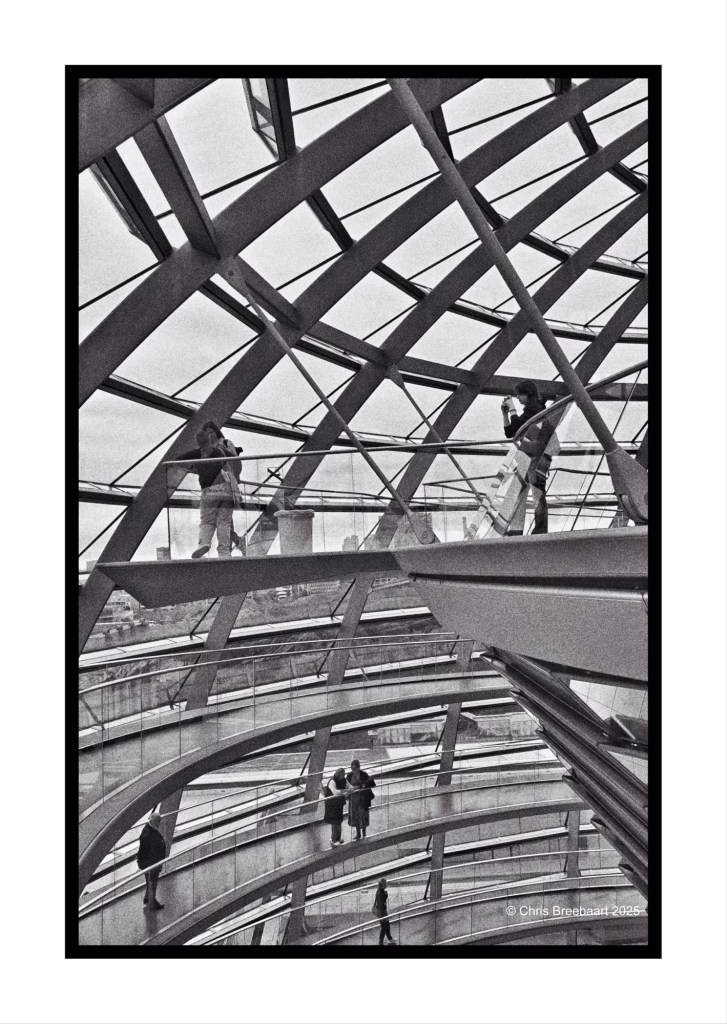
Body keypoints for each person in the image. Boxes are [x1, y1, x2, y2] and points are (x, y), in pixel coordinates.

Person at [500, 379, 555, 535]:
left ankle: (539, 530)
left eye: (520, 394)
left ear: (527, 394)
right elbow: (511, 433)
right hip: (533, 457)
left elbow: (519, 426)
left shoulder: (536, 410)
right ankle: (525, 528)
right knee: (530, 491)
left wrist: (512, 410)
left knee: (536, 493)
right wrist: (506, 413)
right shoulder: (532, 410)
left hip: (535, 457)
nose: (517, 397)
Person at [175, 430, 233, 558]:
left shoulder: (196, 453)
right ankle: (224, 552)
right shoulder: (220, 452)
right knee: (224, 522)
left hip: (209, 491)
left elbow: (177, 461)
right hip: (226, 490)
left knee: (207, 521)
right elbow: (233, 459)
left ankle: (204, 543)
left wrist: (194, 468)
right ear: (209, 439)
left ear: (197, 442)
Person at [203, 421, 245, 554]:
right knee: (224, 522)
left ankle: (229, 548)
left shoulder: (226, 443)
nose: (209, 436)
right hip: (214, 488)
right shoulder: (206, 448)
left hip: (226, 487)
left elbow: (234, 461)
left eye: (211, 432)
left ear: (216, 432)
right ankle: (236, 544)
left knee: (223, 522)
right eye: (206, 433)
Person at [137, 811, 166, 911]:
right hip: (151, 863)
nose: (159, 824)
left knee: (150, 882)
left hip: (151, 862)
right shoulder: (148, 834)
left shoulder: (149, 830)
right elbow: (143, 850)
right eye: (158, 822)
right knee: (153, 882)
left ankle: (148, 898)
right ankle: (152, 903)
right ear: (153, 821)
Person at [346, 759, 376, 840]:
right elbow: (346, 786)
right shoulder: (349, 775)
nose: (354, 770)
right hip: (354, 800)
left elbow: (372, 783)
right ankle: (358, 833)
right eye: (352, 769)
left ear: (359, 767)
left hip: (363, 799)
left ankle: (364, 833)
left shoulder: (364, 774)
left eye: (355, 768)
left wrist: (362, 786)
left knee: (363, 816)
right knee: (355, 817)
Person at [321, 767, 348, 846]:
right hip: (332, 804)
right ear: (339, 775)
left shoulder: (343, 780)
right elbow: (335, 792)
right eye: (343, 775)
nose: (344, 776)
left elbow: (349, 786)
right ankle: (333, 839)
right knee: (334, 821)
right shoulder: (332, 781)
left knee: (339, 820)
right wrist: (346, 790)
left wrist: (351, 788)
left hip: (338, 803)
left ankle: (338, 838)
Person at [373, 877, 396, 945]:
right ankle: (381, 942)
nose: (386, 884)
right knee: (384, 927)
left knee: (387, 925)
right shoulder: (380, 893)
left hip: (382, 911)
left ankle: (390, 938)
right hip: (382, 912)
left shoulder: (380, 891)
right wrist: (384, 916)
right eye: (385, 883)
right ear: (383, 885)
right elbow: (381, 904)